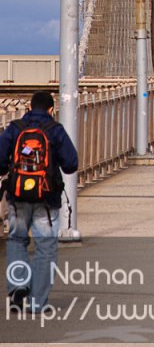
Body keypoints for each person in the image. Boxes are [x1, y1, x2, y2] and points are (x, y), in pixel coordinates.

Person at [0, 90, 78, 314]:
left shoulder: (15, 128)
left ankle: (17, 286)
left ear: (28, 108)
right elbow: (71, 164)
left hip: (17, 196)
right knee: (45, 248)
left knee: (16, 240)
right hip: (47, 199)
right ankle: (37, 302)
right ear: (52, 110)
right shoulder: (55, 130)